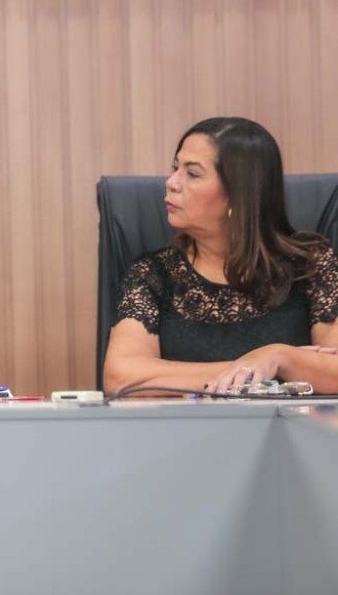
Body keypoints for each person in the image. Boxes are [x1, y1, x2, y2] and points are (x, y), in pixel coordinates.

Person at [103, 117, 338, 396]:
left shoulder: (310, 264)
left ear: (239, 194)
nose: (171, 183)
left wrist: (279, 356)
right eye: (176, 169)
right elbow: (121, 377)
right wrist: (257, 371)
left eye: (192, 174)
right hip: (189, 425)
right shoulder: (152, 274)